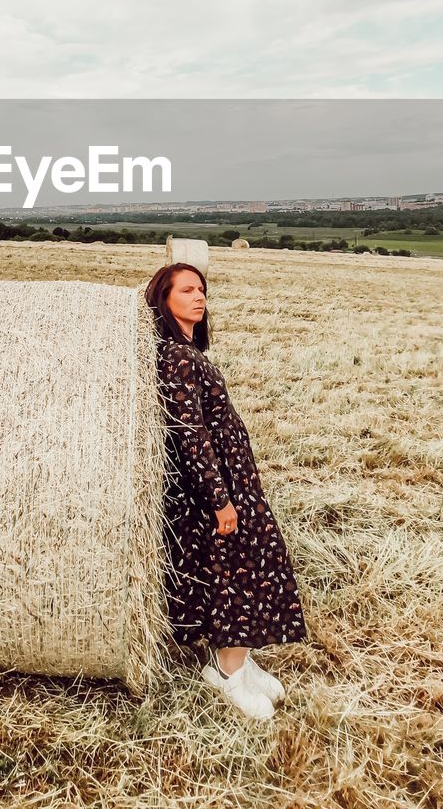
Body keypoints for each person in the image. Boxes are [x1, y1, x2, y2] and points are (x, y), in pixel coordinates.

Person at [144, 262, 308, 721]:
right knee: (241, 571)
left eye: (202, 290)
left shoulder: (190, 351)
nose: (199, 298)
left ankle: (238, 657)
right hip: (215, 487)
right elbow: (189, 434)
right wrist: (219, 498)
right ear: (164, 299)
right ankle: (225, 670)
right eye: (187, 290)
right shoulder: (175, 356)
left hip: (233, 479)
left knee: (243, 567)